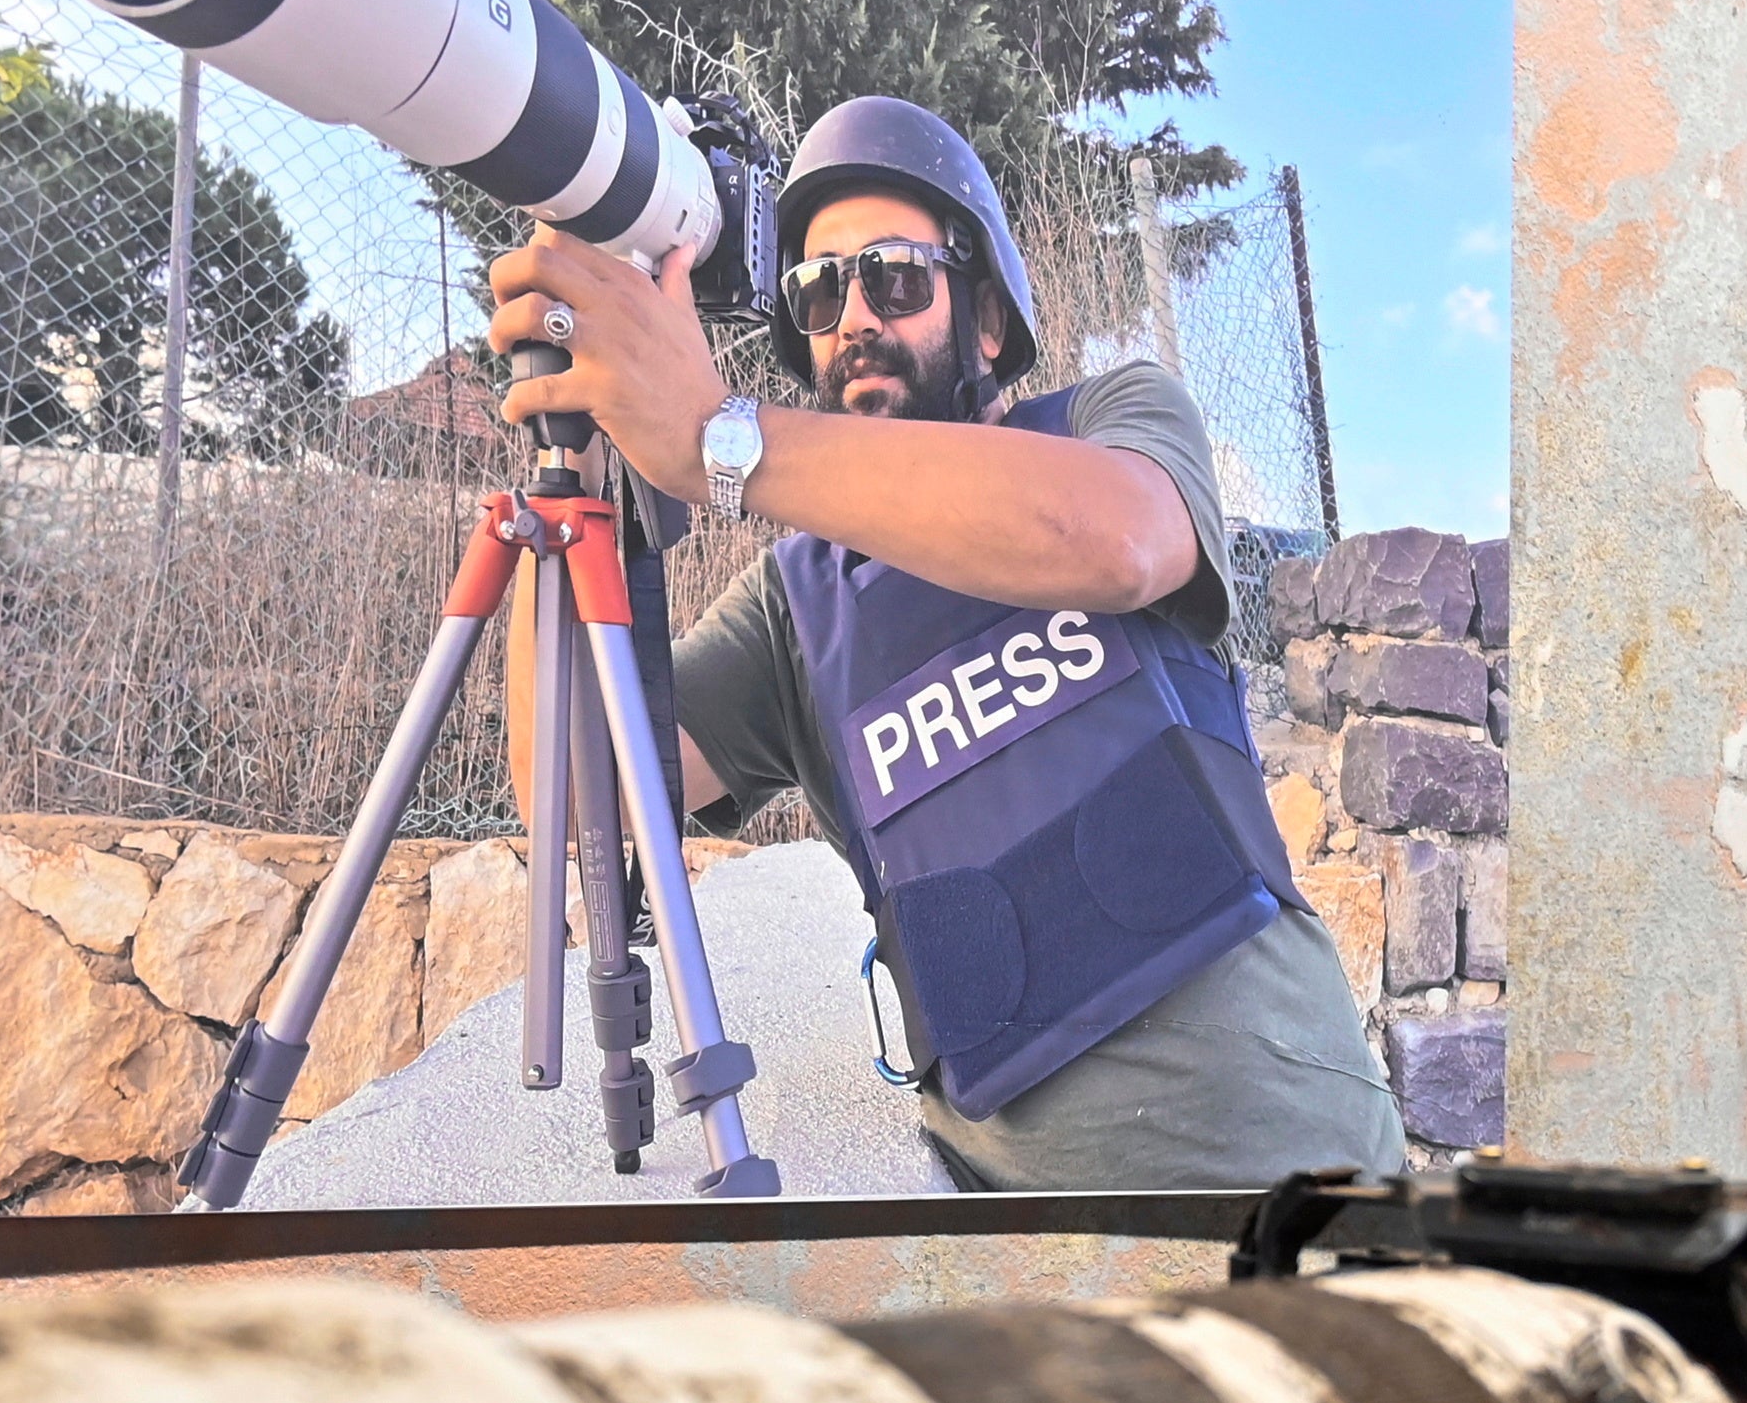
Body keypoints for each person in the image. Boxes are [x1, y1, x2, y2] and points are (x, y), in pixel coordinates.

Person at [488, 96, 1409, 1191]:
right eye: (818, 291)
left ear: (983, 320)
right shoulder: (794, 604)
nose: (854, 318)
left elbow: (1116, 540)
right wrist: (573, 476)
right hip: (1013, 1261)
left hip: (1301, 1191)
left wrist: (714, 438)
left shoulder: (1108, 421)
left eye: (893, 275)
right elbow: (571, 784)